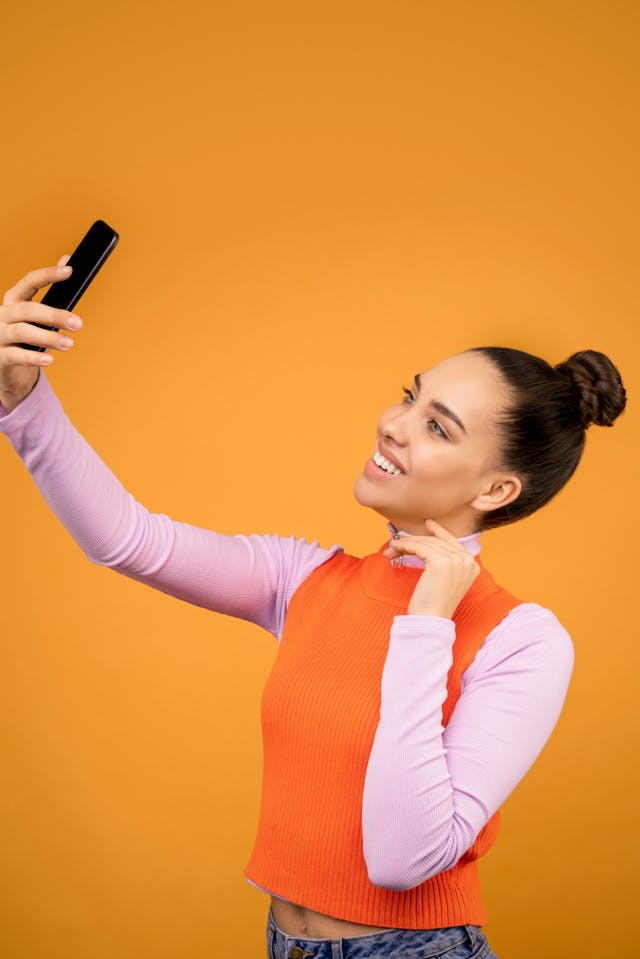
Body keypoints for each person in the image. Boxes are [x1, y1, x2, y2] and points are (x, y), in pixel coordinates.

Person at [0, 256, 627, 959]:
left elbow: (401, 857)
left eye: (438, 427)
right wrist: (22, 400)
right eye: (409, 397)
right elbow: (129, 540)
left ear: (495, 491)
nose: (392, 424)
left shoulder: (524, 640)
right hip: (284, 944)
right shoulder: (307, 578)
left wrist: (426, 625)